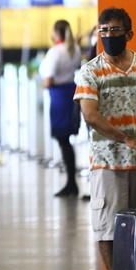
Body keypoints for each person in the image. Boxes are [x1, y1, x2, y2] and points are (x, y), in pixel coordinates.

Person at [72, 7, 136, 270]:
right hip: (107, 162)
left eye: (115, 31)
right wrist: (125, 139)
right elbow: (90, 115)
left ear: (129, 34)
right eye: (103, 31)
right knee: (108, 229)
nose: (108, 36)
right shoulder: (90, 71)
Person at [38, 20, 82, 197]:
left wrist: (43, 83)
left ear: (56, 33)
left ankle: (71, 182)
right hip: (70, 92)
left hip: (58, 96)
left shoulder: (55, 52)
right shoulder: (75, 49)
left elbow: (48, 80)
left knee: (63, 140)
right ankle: (71, 181)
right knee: (66, 140)